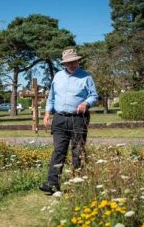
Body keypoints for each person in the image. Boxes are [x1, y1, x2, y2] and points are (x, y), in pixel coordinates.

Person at [39, 48, 99, 194]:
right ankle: (52, 184)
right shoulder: (58, 77)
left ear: (78, 61)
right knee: (58, 151)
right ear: (64, 63)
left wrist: (86, 103)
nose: (71, 64)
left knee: (78, 151)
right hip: (59, 119)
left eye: (74, 61)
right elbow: (51, 97)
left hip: (78, 119)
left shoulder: (86, 77)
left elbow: (94, 96)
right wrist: (47, 113)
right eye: (68, 63)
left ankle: (78, 184)